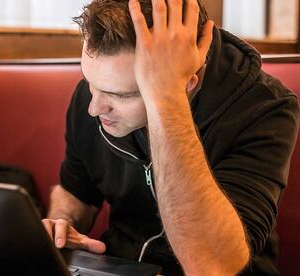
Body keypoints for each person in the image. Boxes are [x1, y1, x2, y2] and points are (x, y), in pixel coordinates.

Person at [42, 0, 299, 274]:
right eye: (90, 83)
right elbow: (76, 190)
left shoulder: (263, 107)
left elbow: (213, 265)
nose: (94, 108)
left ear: (188, 82)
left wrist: (167, 101)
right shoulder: (94, 96)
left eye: (121, 95)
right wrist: (62, 223)